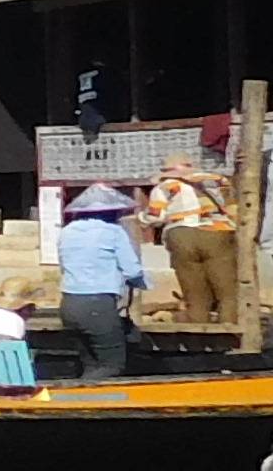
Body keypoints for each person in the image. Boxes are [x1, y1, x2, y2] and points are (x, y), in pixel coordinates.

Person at [59, 183, 146, 382]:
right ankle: (81, 390)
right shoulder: (113, 231)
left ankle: (81, 393)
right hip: (97, 303)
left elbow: (64, 265)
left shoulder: (67, 231)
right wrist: (141, 283)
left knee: (90, 363)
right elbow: (132, 270)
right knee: (112, 364)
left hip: (69, 303)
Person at [151, 160, 245, 334]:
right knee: (227, 292)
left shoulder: (165, 186)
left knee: (195, 294)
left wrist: (142, 219)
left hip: (181, 235)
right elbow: (234, 209)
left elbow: (156, 216)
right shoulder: (218, 180)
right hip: (217, 232)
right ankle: (229, 331)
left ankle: (198, 330)